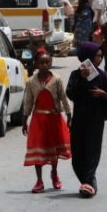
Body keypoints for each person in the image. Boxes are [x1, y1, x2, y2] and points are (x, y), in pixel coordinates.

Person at [66, 42, 107, 198]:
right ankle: (87, 182)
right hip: (79, 119)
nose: (100, 59)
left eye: (101, 56)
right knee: (77, 153)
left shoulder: (101, 75)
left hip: (95, 120)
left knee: (92, 151)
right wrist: (81, 79)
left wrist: (102, 94)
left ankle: (89, 182)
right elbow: (70, 93)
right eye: (98, 56)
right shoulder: (75, 75)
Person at [22, 51, 71, 193]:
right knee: (37, 148)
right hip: (38, 120)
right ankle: (39, 181)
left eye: (47, 62)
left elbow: (63, 97)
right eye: (41, 63)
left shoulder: (56, 79)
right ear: (36, 64)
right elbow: (28, 101)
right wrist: (24, 120)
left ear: (51, 63)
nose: (44, 65)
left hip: (54, 119)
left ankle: (54, 173)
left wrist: (69, 115)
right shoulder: (31, 82)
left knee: (53, 148)